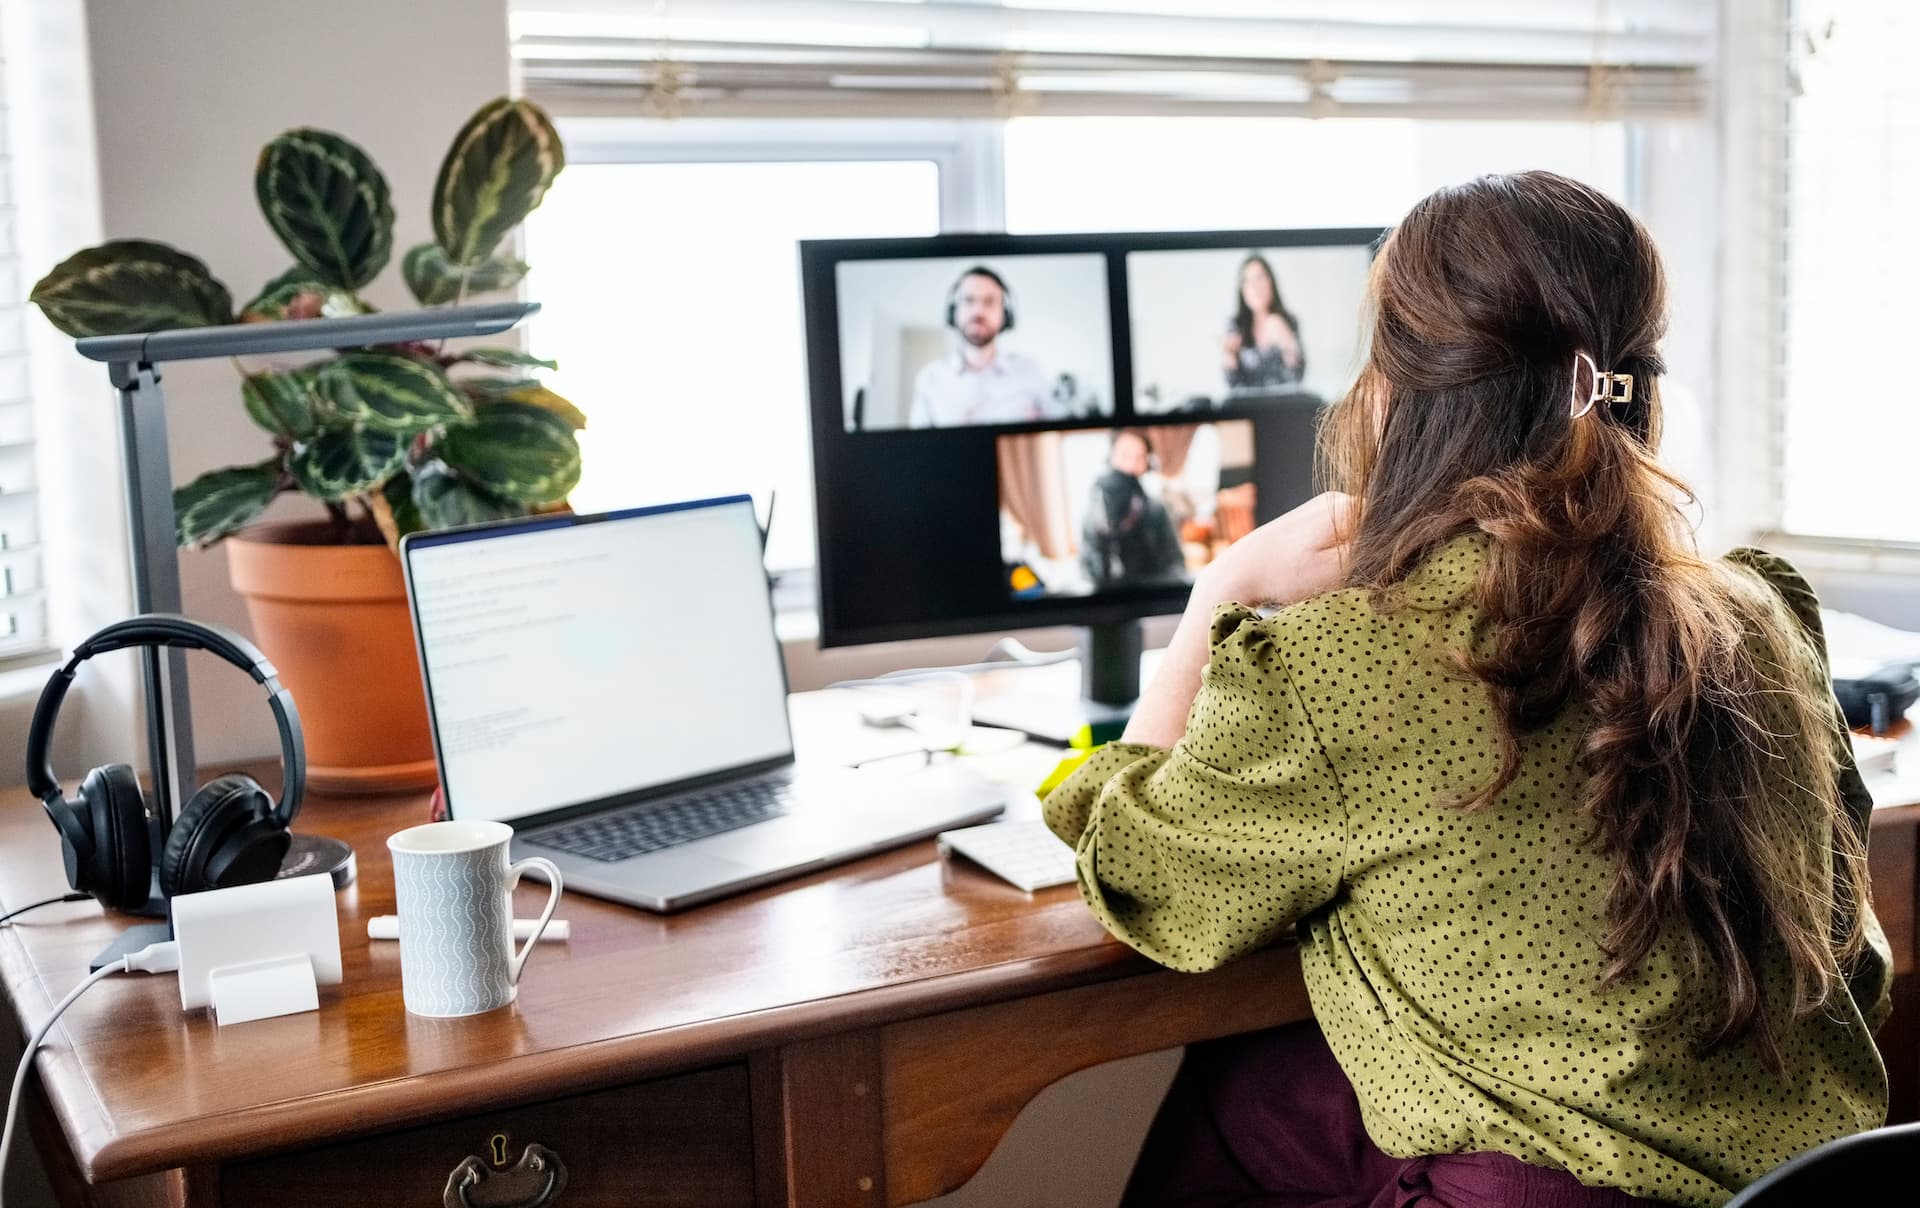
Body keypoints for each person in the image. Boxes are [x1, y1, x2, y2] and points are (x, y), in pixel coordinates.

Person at [1045, 171, 1889, 1208]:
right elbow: (1859, 954)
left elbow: (1143, 872)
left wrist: (1216, 594)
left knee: (1234, 1104)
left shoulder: (1340, 660)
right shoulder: (1763, 613)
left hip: (1554, 1193)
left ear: (1396, 395)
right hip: (1805, 1180)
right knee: (1269, 1087)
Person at [910, 266, 1061, 427]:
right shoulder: (929, 378)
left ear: (1005, 314)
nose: (978, 311)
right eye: (969, 300)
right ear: (954, 311)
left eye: (989, 302)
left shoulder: (1030, 370)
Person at [1080, 428, 1185, 590]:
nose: (1130, 466)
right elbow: (1086, 568)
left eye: (1139, 458)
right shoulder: (1094, 509)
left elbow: (1176, 566)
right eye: (1124, 455)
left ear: (1146, 463)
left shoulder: (1157, 510)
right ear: (1111, 456)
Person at [1222, 252, 1306, 394]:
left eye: (1259, 278)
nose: (1255, 287)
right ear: (1242, 290)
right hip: (1247, 410)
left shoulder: (1288, 321)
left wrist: (1286, 340)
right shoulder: (1235, 325)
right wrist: (1229, 355)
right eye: (1247, 281)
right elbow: (1233, 386)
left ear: (1270, 281)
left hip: (1283, 407)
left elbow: (1297, 377)